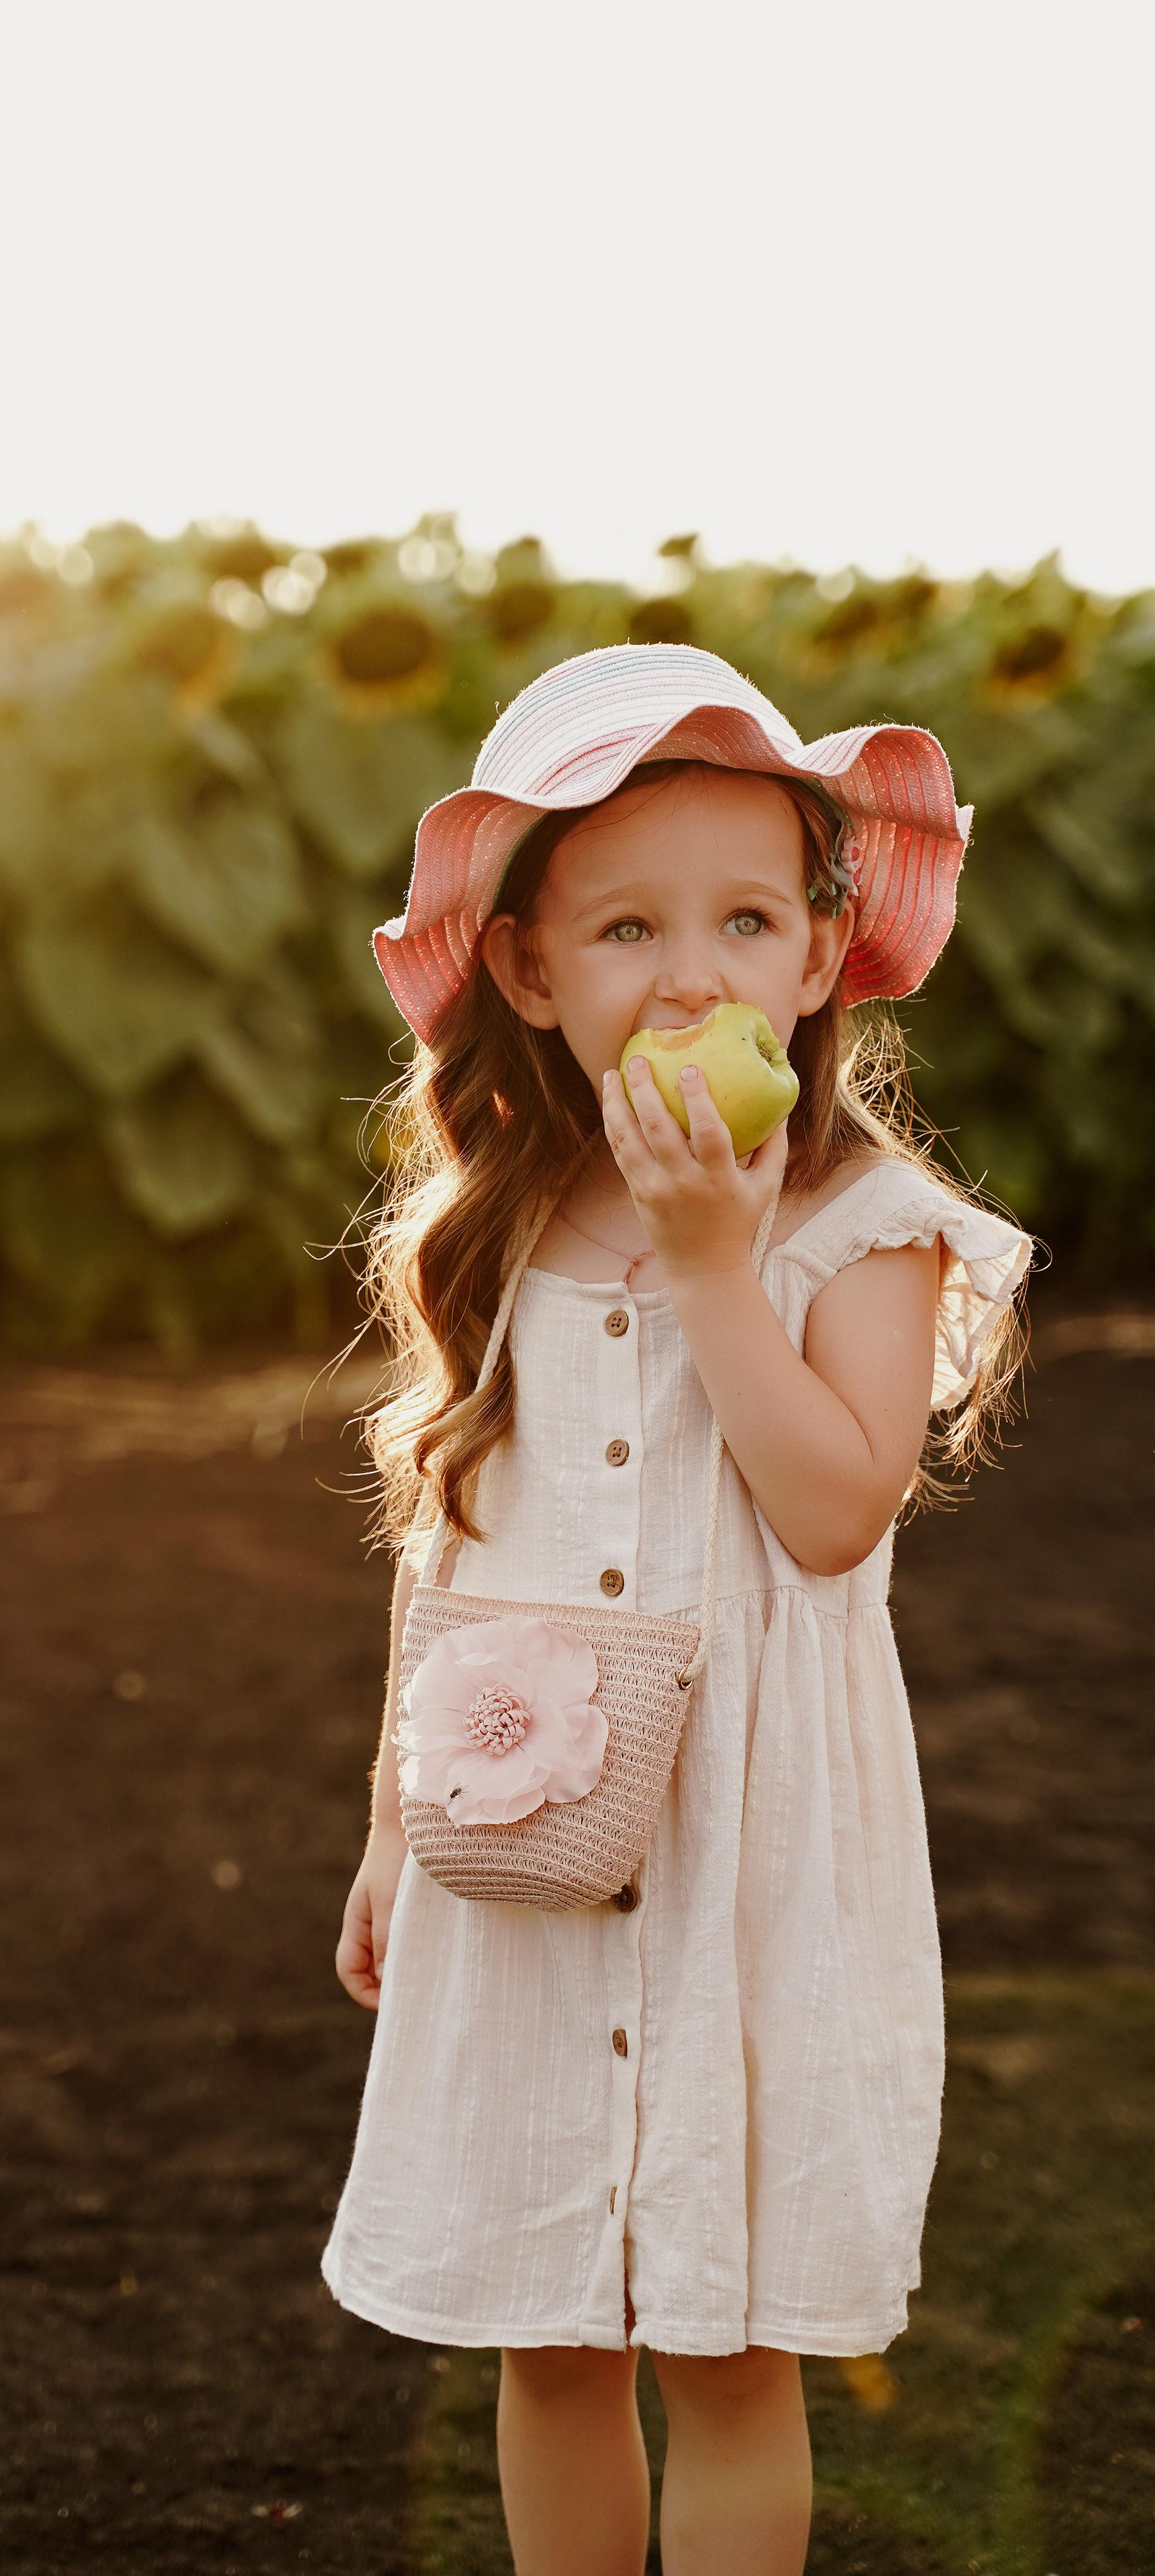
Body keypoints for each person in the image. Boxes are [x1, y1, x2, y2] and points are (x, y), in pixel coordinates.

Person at [321, 644, 1033, 2576]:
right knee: (551, 2325)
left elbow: (829, 1512)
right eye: (627, 927)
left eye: (743, 917)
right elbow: (447, 1543)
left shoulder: (865, 1227)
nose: (693, 973)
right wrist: (394, 1821)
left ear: (822, 955)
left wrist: (722, 1266)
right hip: (532, 1836)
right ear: (534, 976)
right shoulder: (498, 1230)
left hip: (756, 1856)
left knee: (724, 2347)